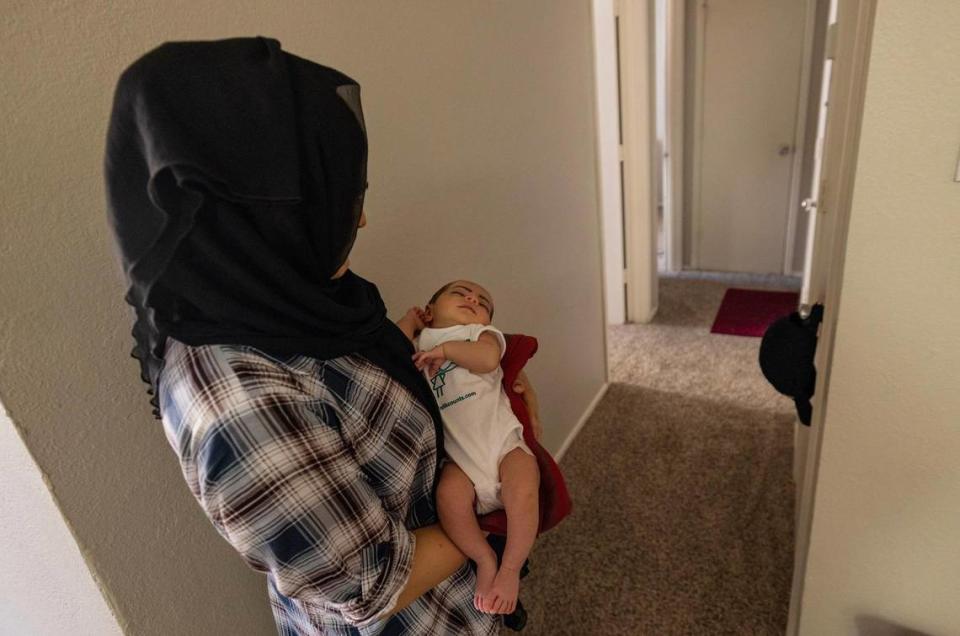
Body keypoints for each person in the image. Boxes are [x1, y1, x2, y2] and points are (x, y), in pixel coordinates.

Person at [104, 37, 541, 635]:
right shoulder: (237, 403)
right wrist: (500, 507)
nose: (360, 218)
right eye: (343, 196)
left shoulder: (298, 297)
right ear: (260, 209)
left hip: (462, 596)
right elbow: (375, 584)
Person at [395, 280, 541, 617]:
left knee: (524, 486)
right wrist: (410, 321)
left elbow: (489, 360)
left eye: (483, 301)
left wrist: (445, 352)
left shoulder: (482, 335)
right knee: (449, 497)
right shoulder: (421, 343)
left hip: (502, 442)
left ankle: (510, 568)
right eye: (459, 293)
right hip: (459, 459)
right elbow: (393, 351)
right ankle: (484, 557)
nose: (472, 298)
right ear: (430, 311)